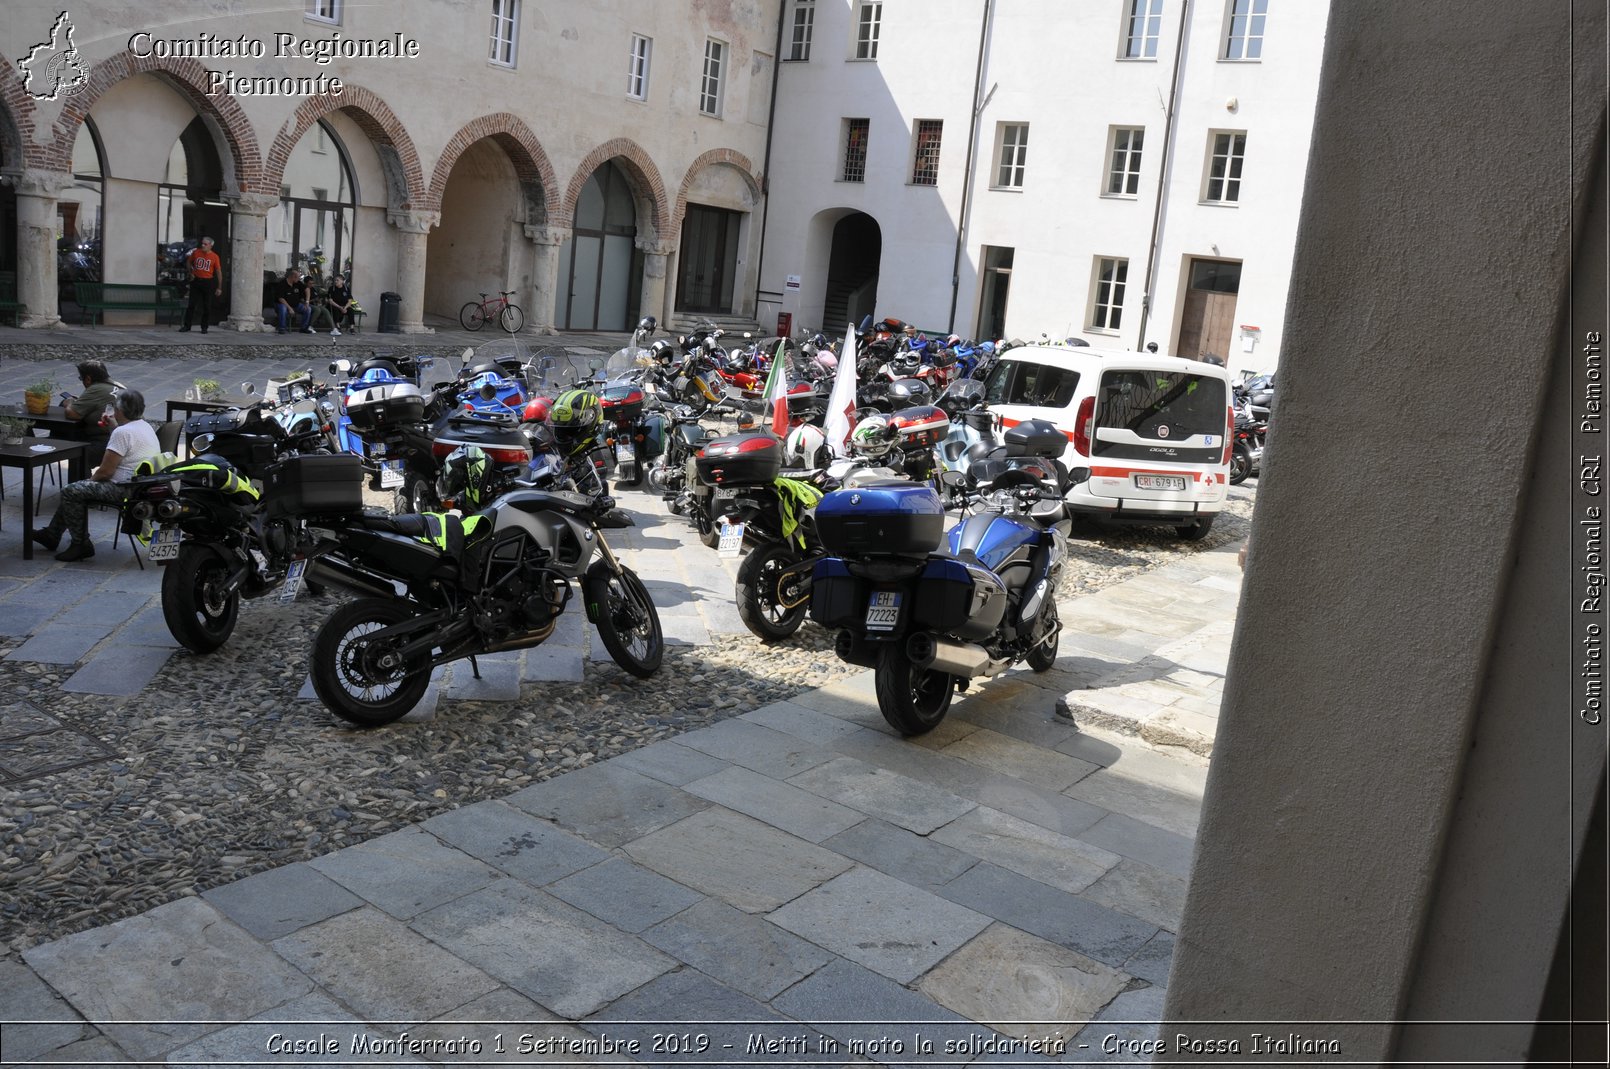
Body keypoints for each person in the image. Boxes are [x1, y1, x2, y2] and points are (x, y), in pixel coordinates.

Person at [31, 388, 159, 563]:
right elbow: (126, 440)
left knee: (72, 490)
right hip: (141, 487)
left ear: (119, 410)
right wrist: (113, 426)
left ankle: (80, 544)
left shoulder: (123, 433)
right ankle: (51, 535)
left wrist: (89, 481)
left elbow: (106, 471)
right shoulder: (144, 426)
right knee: (76, 489)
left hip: (124, 489)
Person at [178, 237, 223, 334]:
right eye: (202, 243)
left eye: (205, 244)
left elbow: (218, 271)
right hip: (196, 281)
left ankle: (204, 327)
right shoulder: (196, 253)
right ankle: (187, 326)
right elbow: (189, 262)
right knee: (191, 305)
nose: (203, 245)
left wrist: (219, 287)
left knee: (207, 306)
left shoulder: (215, 257)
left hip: (208, 282)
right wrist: (190, 272)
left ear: (210, 246)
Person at [276, 268, 312, 335]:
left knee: (308, 309)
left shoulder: (297, 283)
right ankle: (282, 328)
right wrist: (289, 308)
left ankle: (303, 328)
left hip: (296, 305)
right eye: (298, 277)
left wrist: (307, 302)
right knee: (283, 308)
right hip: (285, 305)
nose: (299, 279)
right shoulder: (282, 284)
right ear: (292, 277)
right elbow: (281, 298)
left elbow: (307, 289)